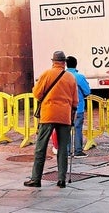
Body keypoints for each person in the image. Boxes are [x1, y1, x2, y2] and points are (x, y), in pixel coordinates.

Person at [24, 50, 78, 189]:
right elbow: (75, 101)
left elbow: (36, 94)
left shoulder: (46, 74)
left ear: (53, 61)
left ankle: (36, 179)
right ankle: (61, 180)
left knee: (40, 148)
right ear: (64, 62)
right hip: (64, 116)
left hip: (48, 115)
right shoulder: (71, 78)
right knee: (62, 149)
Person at [66, 55, 91, 158]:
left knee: (66, 129)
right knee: (77, 129)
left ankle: (66, 152)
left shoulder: (63, 76)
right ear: (76, 64)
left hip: (65, 108)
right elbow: (87, 91)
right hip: (78, 107)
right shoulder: (79, 77)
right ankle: (78, 151)